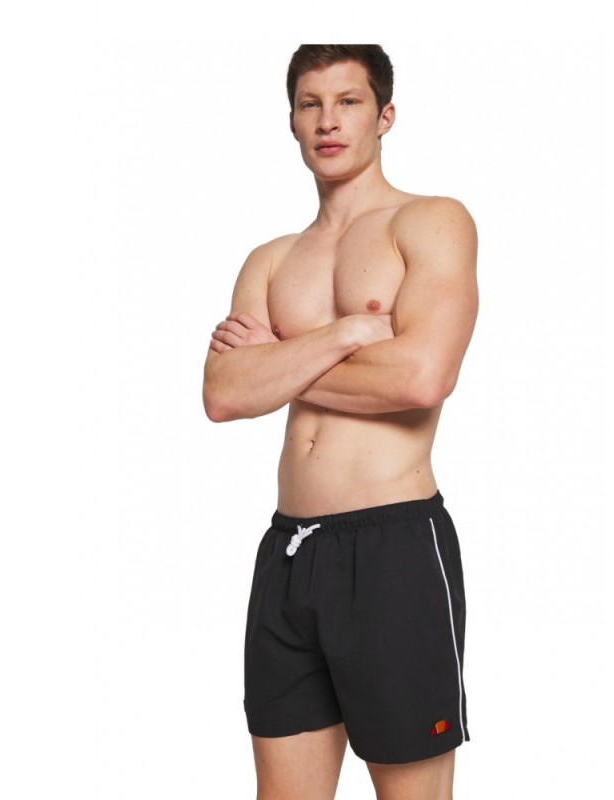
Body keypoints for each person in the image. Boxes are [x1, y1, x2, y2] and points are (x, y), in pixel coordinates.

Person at [202, 44, 479, 800]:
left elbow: (422, 377)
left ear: (384, 116)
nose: (328, 121)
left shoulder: (431, 222)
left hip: (394, 548)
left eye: (348, 102)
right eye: (310, 104)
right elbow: (225, 393)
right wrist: (348, 333)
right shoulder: (270, 259)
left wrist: (279, 361)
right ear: (292, 121)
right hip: (289, 552)